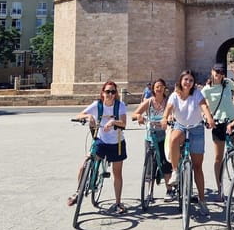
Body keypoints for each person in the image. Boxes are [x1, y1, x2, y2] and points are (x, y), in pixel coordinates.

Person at [67, 81, 129, 213]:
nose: (110, 94)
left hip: (117, 143)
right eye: (108, 92)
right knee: (85, 163)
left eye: (113, 92)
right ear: (102, 93)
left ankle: (118, 203)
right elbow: (79, 115)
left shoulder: (120, 106)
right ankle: (78, 192)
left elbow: (124, 123)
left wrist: (113, 122)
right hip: (101, 141)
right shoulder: (97, 105)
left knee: (117, 173)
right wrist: (89, 116)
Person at [162, 70, 215, 216]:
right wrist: (164, 118)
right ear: (181, 80)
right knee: (173, 139)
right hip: (180, 126)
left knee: (198, 167)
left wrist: (209, 118)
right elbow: (168, 109)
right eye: (186, 79)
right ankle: (175, 171)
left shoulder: (197, 94)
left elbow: (204, 107)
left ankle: (202, 200)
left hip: (196, 128)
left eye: (191, 80)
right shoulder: (174, 95)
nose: (188, 83)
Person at [202, 63, 234, 199]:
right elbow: (201, 105)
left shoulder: (227, 83)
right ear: (212, 72)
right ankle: (220, 189)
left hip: (232, 122)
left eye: (221, 72)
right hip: (217, 124)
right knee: (218, 158)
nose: (219, 74)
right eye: (217, 71)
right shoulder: (206, 89)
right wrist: (206, 117)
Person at [132, 78, 174, 200]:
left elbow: (172, 114)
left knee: (166, 163)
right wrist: (139, 116)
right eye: (157, 87)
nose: (159, 88)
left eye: (161, 86)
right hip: (150, 136)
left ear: (164, 88)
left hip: (164, 137)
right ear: (153, 89)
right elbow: (134, 114)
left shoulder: (168, 102)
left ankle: (169, 190)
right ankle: (149, 192)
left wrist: (169, 118)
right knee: (150, 165)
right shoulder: (149, 101)